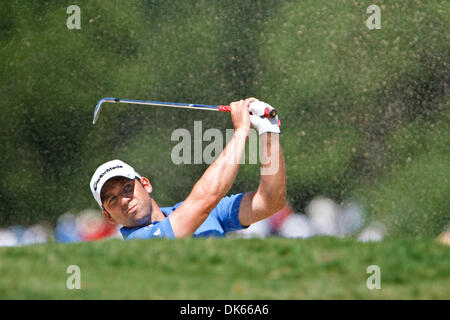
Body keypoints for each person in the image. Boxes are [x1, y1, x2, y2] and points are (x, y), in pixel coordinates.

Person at [89, 97, 286, 239]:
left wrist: (268, 131)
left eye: (126, 188)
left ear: (146, 184)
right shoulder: (139, 242)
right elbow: (205, 200)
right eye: (112, 199)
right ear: (107, 215)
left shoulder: (202, 211)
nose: (124, 200)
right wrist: (241, 131)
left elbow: (270, 202)